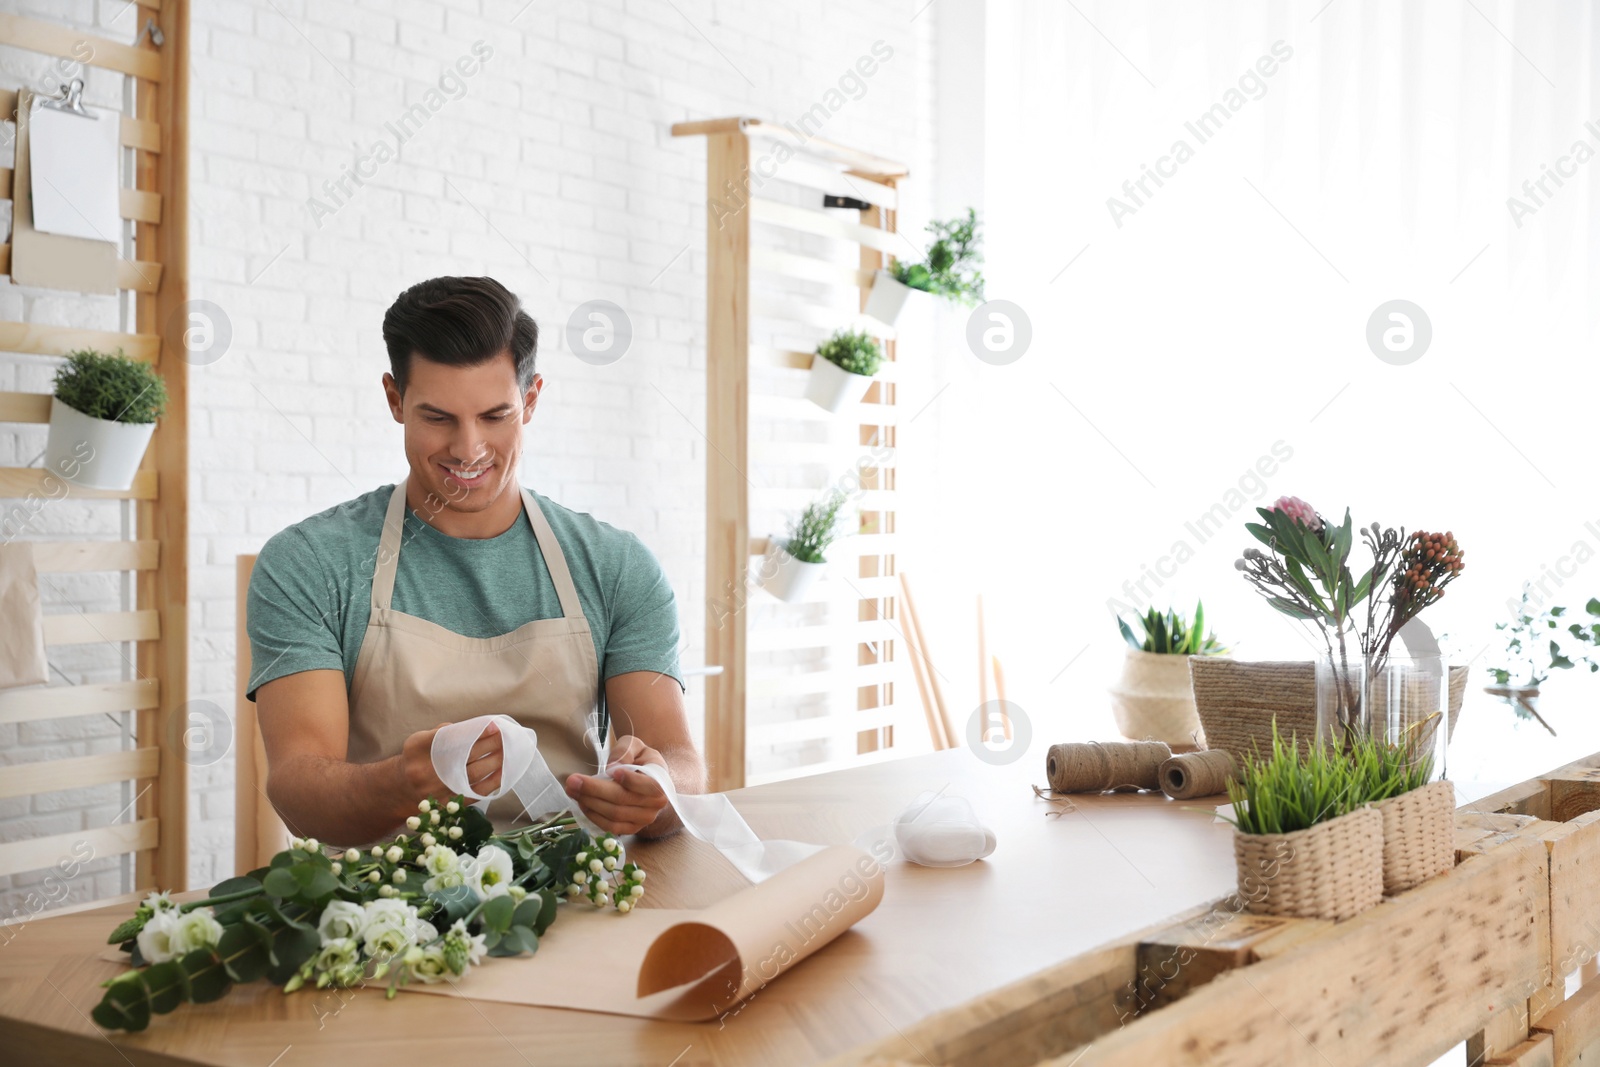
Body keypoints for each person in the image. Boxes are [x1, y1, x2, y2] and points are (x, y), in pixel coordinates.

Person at [246, 275, 704, 845]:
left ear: (531, 400)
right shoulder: (310, 564)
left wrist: (655, 792)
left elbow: (681, 763)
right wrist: (400, 782)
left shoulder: (617, 566)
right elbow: (298, 791)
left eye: (495, 416)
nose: (468, 449)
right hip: (384, 912)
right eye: (438, 417)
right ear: (395, 401)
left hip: (578, 901)